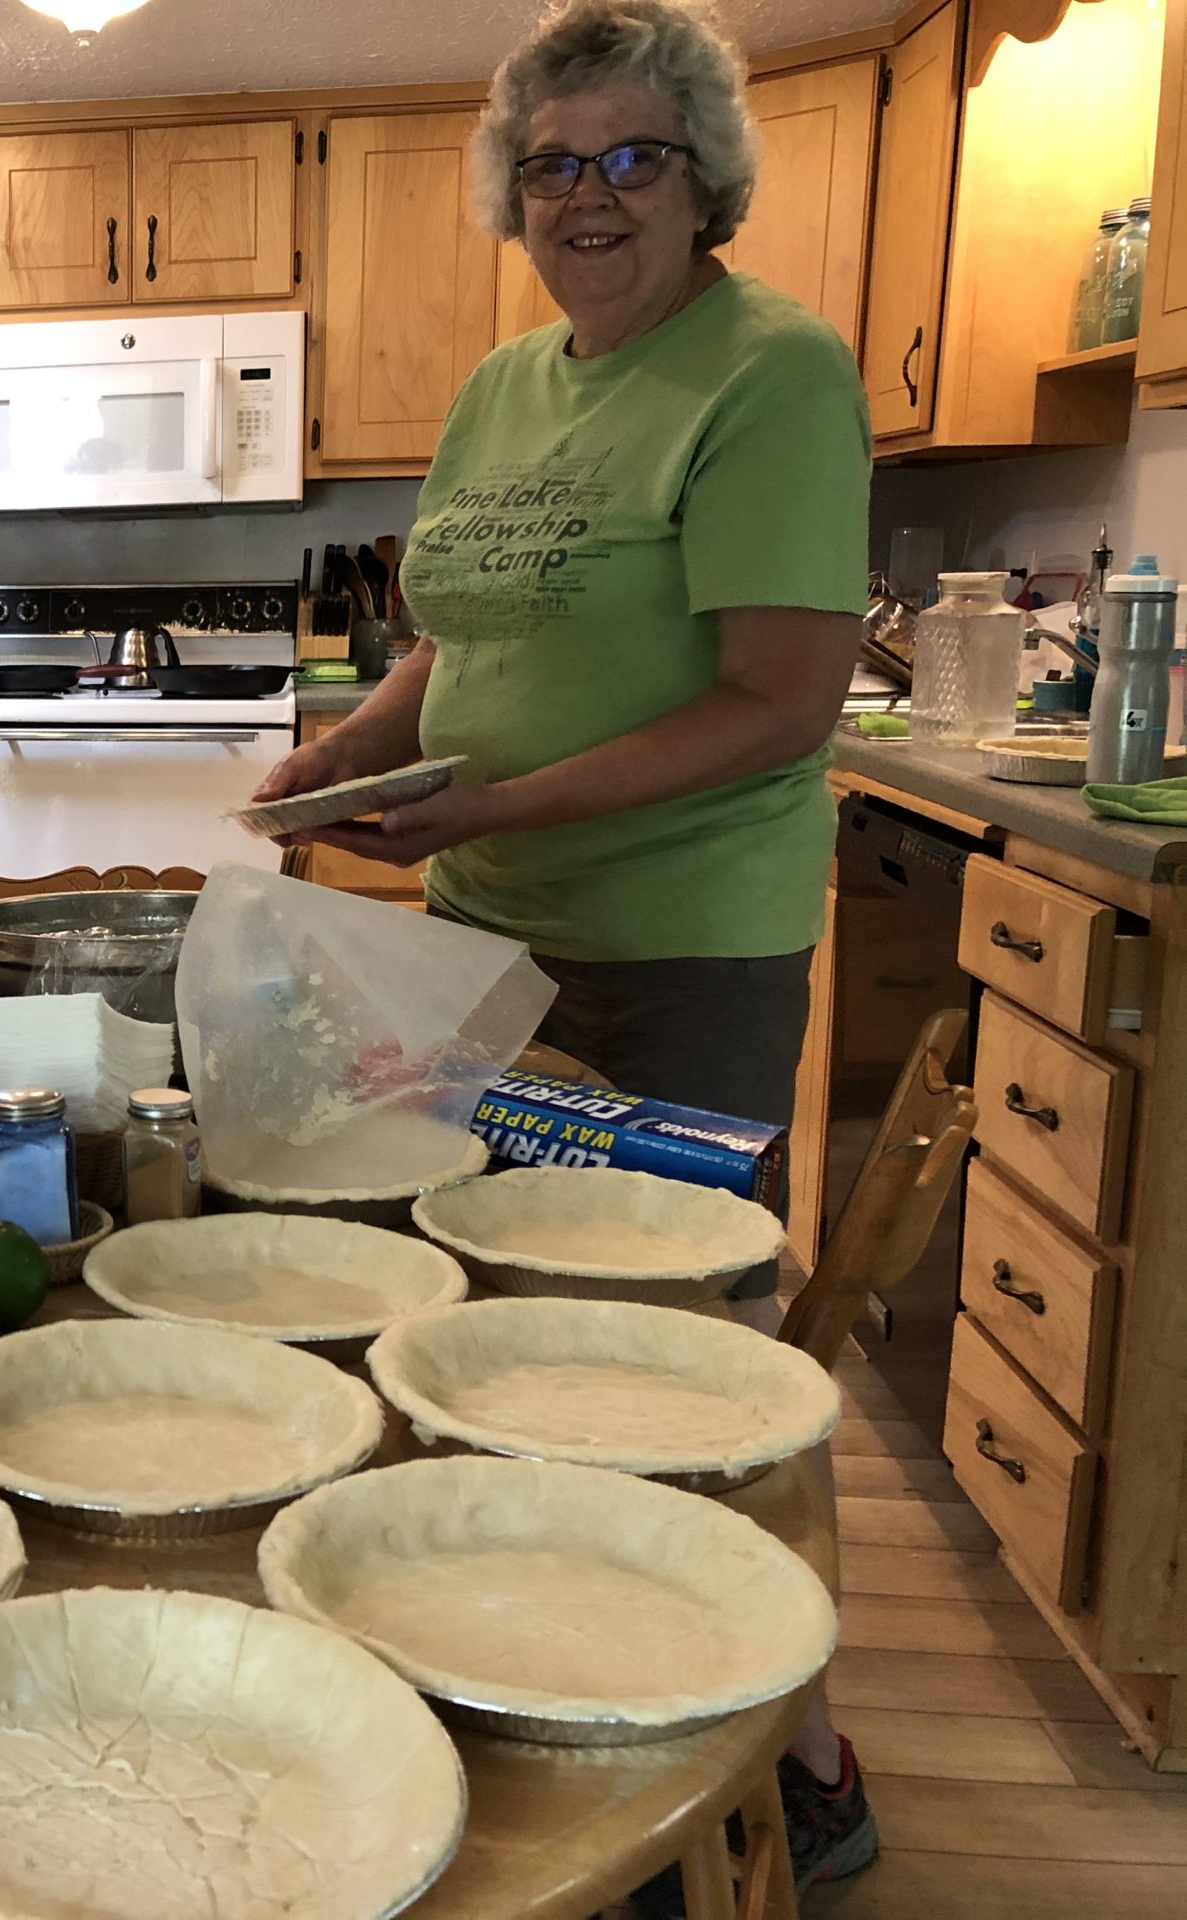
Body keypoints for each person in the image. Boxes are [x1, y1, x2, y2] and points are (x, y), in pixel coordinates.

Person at [252, 0, 875, 1900]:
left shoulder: (773, 370)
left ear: (706, 185)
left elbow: (783, 696)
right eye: (552, 162)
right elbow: (459, 627)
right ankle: (548, 1682)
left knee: (685, 1351)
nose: (588, 197)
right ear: (508, 190)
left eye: (634, 159)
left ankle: (802, 1755)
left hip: (677, 947)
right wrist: (351, 751)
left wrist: (495, 811)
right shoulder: (507, 382)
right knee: (490, 1316)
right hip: (481, 944)